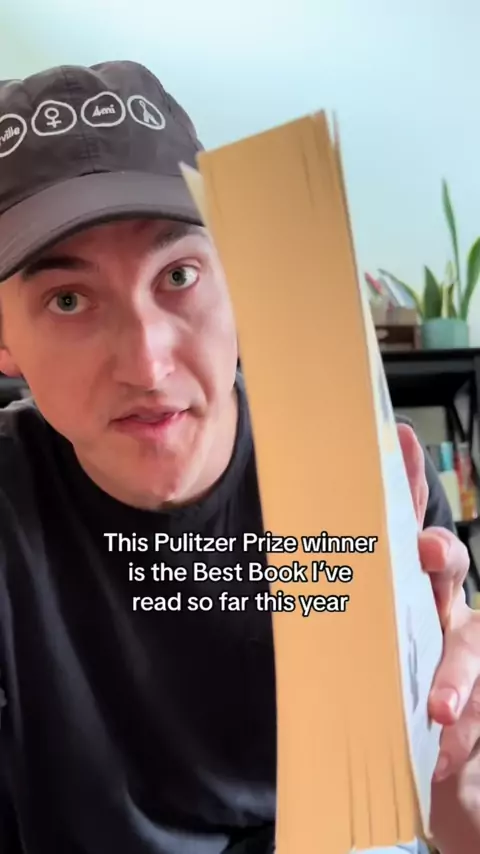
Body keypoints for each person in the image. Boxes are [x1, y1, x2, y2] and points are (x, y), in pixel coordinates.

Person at [0, 59, 478, 854]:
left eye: (179, 275)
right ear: (5, 340)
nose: (147, 364)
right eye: (69, 299)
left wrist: (451, 754)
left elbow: (449, 827)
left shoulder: (364, 475)